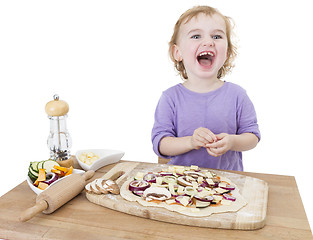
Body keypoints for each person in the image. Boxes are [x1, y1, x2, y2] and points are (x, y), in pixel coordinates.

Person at [151, 6, 260, 171]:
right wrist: (190, 142)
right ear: (177, 52)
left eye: (216, 36)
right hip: (180, 184)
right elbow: (160, 144)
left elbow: (252, 137)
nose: (208, 42)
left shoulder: (237, 95)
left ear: (228, 52)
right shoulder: (170, 98)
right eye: (196, 36)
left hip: (228, 184)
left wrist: (232, 142)